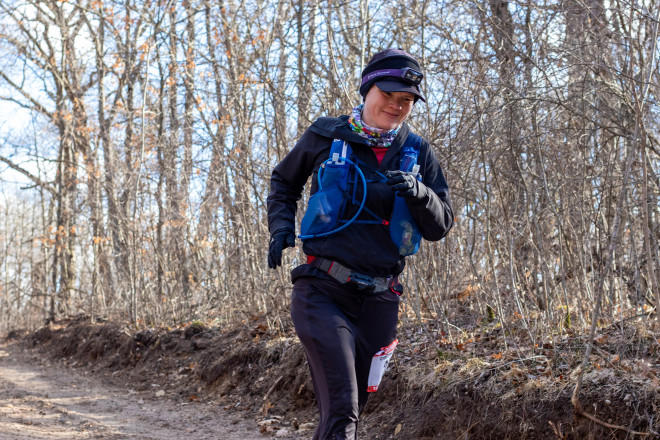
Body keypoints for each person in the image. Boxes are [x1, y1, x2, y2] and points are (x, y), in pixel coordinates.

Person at [266, 48, 453, 440]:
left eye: (406, 100)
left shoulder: (418, 153)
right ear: (367, 89)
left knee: (352, 411)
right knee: (342, 409)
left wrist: (421, 193)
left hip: (381, 301)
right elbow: (284, 182)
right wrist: (280, 227)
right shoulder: (325, 134)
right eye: (388, 95)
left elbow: (440, 226)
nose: (396, 106)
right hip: (322, 289)